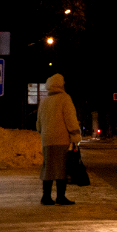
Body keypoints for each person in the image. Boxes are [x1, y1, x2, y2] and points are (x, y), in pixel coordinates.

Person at [35, 73, 82, 205]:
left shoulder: (44, 101)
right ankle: (60, 197)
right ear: (61, 85)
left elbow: (38, 124)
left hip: (47, 140)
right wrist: (75, 136)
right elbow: (71, 119)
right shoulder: (65, 99)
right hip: (61, 139)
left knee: (48, 167)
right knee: (61, 167)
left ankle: (46, 196)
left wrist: (43, 133)